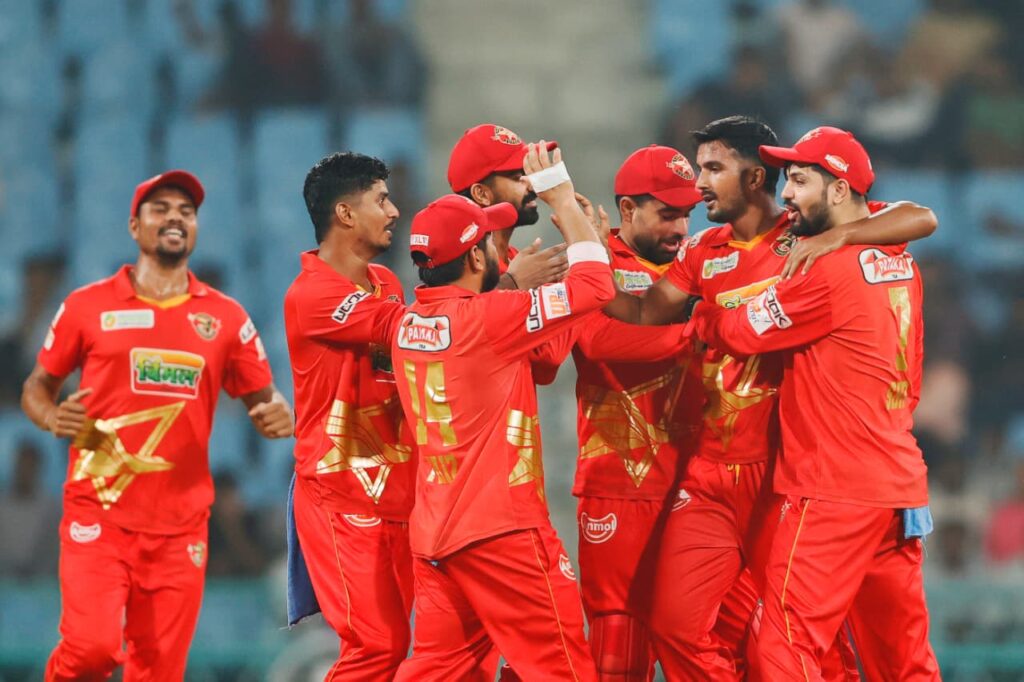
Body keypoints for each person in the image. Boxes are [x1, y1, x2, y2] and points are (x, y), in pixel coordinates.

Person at [602, 116, 937, 680]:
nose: (787, 193)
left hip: (824, 481)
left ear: (837, 190)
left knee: (787, 648)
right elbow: (920, 217)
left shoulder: (816, 260)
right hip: (891, 479)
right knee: (901, 659)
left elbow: (740, 332)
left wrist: (703, 314)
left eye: (800, 181)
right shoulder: (891, 255)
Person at [20, 170, 294, 681]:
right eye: (161, 208)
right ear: (134, 226)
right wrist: (52, 415)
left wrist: (277, 410)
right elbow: (36, 387)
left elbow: (264, 396)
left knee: (159, 673)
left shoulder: (226, 318)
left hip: (180, 528)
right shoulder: (87, 306)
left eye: (186, 211)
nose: (175, 218)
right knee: (91, 650)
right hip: (99, 514)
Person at [392, 143, 611, 680]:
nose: (497, 248)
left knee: (439, 670)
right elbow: (597, 285)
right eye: (487, 242)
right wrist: (567, 205)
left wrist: (518, 287)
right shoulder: (491, 317)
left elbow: (543, 361)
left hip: (437, 534)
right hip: (501, 531)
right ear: (474, 259)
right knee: (564, 670)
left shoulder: (405, 324)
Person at [284, 152, 415, 680]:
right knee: (376, 643)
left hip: (398, 490)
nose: (394, 211)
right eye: (381, 200)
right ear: (345, 213)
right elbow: (404, 330)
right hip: (340, 492)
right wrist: (507, 288)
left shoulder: (387, 282)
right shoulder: (310, 294)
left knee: (398, 644)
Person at [447, 123, 570, 288]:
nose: (532, 185)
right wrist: (512, 283)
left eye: (529, 173)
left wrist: (592, 246)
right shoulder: (460, 269)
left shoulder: (518, 261)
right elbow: (453, 304)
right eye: (518, 177)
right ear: (481, 194)